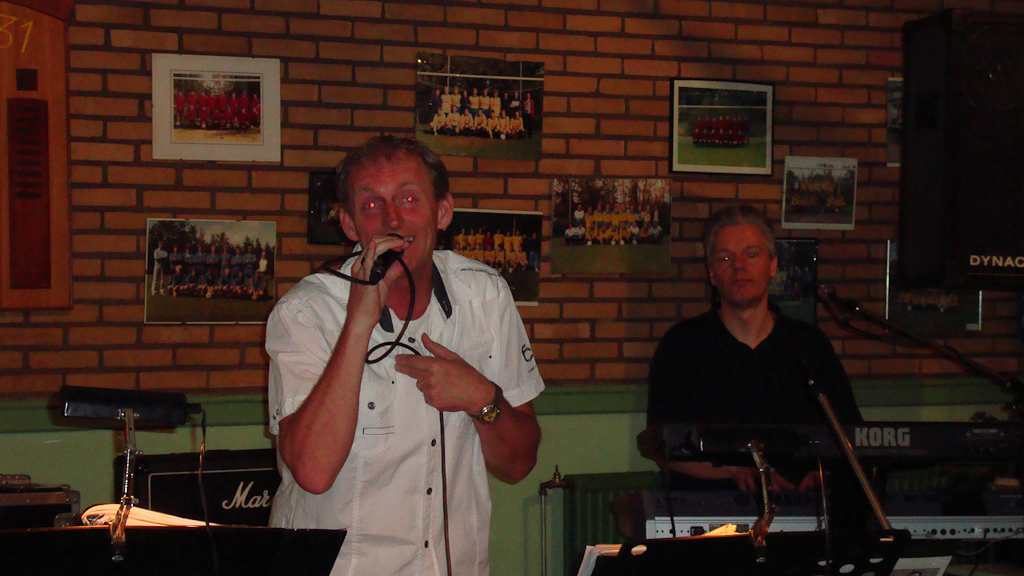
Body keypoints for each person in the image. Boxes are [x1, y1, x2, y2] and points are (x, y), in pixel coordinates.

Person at [266, 136, 544, 576]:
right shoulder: (305, 312)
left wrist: (482, 399)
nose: (392, 219)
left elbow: (519, 464)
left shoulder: (486, 294)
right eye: (371, 205)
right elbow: (313, 474)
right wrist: (358, 324)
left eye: (409, 199)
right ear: (350, 225)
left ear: (442, 212)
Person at [646, 204, 861, 492]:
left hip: (801, 507)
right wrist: (734, 470)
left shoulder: (809, 346)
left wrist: (820, 476)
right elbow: (661, 447)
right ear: (712, 273)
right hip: (711, 510)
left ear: (772, 265)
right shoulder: (681, 345)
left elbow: (851, 438)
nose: (739, 266)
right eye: (725, 257)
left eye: (751, 254)